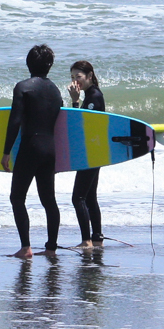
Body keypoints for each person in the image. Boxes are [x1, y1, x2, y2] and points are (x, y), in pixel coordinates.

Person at [1, 44, 62, 259]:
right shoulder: (56, 91)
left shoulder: (23, 87)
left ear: (28, 63)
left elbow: (14, 121)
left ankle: (26, 247)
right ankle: (51, 248)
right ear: (50, 65)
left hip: (30, 148)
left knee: (17, 197)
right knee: (49, 201)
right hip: (49, 150)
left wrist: (6, 151)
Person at [67, 60, 105, 249]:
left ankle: (87, 241)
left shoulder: (94, 97)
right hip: (94, 152)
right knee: (90, 197)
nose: (75, 81)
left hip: (90, 153)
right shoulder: (92, 95)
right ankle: (97, 238)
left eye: (78, 77)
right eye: (72, 77)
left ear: (90, 76)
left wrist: (75, 101)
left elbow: (81, 126)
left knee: (78, 198)